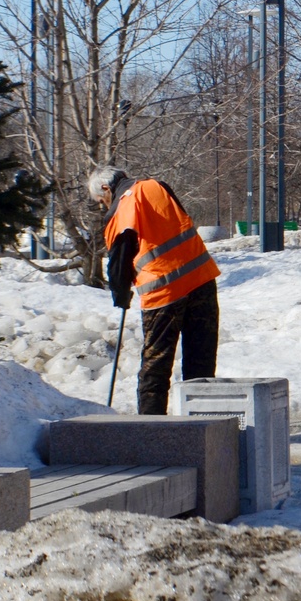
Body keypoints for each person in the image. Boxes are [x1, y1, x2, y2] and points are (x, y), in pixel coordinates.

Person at [89, 165, 220, 416]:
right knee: (201, 362)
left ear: (107, 188)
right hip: (201, 280)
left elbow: (119, 260)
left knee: (156, 366)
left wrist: (120, 293)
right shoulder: (156, 185)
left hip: (163, 292)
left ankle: (152, 428)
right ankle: (205, 426)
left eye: (100, 200)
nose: (102, 205)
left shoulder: (122, 209)